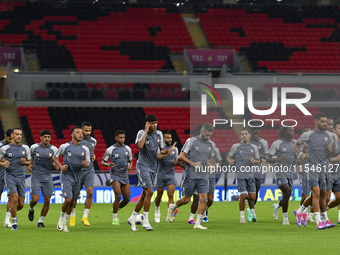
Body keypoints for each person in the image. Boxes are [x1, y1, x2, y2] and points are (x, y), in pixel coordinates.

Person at [127, 114, 172, 231]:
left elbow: (161, 150)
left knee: (144, 195)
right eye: (152, 123)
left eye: (156, 123)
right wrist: (146, 131)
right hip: (142, 166)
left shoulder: (159, 134)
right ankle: (146, 221)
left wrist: (167, 152)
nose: (155, 125)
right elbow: (140, 146)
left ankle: (132, 217)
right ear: (147, 123)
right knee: (150, 192)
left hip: (153, 167)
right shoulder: (141, 133)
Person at [167, 122, 215, 230]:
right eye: (206, 135)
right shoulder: (191, 141)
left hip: (203, 175)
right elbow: (181, 156)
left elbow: (210, 158)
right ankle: (172, 207)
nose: (208, 137)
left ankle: (197, 223)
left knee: (203, 197)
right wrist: (193, 164)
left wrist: (211, 165)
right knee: (186, 200)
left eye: (210, 135)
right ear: (201, 131)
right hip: (190, 174)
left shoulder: (211, 144)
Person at [293, 112, 335, 230]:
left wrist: (330, 150)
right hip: (312, 166)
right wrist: (301, 154)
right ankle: (318, 222)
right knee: (315, 192)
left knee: (323, 194)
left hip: (324, 167)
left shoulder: (329, 136)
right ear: (316, 121)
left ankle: (324, 219)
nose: (324, 124)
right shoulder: (308, 135)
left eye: (325, 122)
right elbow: (296, 145)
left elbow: (328, 154)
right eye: (322, 121)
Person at [53, 126, 91, 232]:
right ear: (72, 135)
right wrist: (60, 167)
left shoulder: (85, 149)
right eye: (77, 132)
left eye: (81, 133)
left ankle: (64, 223)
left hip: (78, 177)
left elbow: (88, 163)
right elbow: (54, 157)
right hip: (66, 176)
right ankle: (61, 219)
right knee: (68, 199)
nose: (80, 134)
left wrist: (86, 164)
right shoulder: (65, 146)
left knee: (73, 202)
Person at [0, 128, 31, 231]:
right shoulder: (5, 148)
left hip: (21, 177)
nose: (19, 136)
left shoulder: (25, 148)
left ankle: (11, 213)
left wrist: (25, 162)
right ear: (12, 136)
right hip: (9, 176)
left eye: (20, 134)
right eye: (17, 134)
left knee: (21, 204)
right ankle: (14, 224)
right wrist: (3, 164)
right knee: (14, 197)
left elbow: (29, 161)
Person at [227, 128, 260, 224]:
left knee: (253, 197)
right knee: (243, 195)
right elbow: (229, 156)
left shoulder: (254, 147)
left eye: (246, 134)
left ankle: (248, 208)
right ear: (240, 136)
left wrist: (254, 161)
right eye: (242, 134)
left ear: (249, 135)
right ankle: (242, 217)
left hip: (251, 175)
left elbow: (258, 160)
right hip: (240, 174)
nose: (244, 135)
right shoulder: (236, 146)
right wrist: (230, 161)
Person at [28, 130, 58, 227]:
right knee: (35, 199)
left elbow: (54, 161)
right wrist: (31, 164)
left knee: (47, 200)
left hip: (48, 177)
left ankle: (40, 221)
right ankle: (31, 208)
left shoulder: (54, 149)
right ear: (40, 138)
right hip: (36, 176)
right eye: (45, 137)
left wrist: (55, 165)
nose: (47, 139)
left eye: (48, 137)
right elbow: (31, 158)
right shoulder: (34, 147)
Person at [102, 130, 133, 225]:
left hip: (124, 175)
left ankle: (116, 208)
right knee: (118, 195)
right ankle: (115, 218)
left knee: (127, 199)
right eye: (120, 137)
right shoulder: (110, 149)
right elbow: (103, 162)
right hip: (115, 175)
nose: (122, 139)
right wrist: (108, 165)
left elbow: (130, 161)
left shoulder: (128, 149)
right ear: (116, 138)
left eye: (123, 137)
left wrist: (130, 166)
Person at [268, 126, 298, 225]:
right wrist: (278, 159)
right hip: (280, 171)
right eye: (290, 130)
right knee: (285, 191)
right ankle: (285, 218)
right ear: (285, 132)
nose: (293, 132)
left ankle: (277, 206)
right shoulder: (277, 143)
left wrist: (300, 161)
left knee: (288, 194)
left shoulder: (296, 143)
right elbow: (268, 158)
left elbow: (297, 159)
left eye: (293, 130)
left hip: (290, 172)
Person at [69, 122, 97, 227]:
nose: (88, 133)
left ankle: (85, 217)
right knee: (75, 195)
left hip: (89, 170)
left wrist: (93, 157)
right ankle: (72, 216)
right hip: (78, 171)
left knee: (90, 192)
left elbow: (91, 153)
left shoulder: (93, 141)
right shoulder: (77, 141)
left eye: (90, 130)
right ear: (81, 130)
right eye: (86, 130)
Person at [154, 132, 184, 223]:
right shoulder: (159, 148)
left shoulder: (175, 149)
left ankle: (169, 215)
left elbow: (175, 161)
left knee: (171, 195)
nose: (170, 139)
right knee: (159, 195)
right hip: (160, 175)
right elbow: (158, 157)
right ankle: (157, 211)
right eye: (167, 138)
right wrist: (168, 152)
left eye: (170, 137)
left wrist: (175, 162)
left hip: (170, 175)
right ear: (163, 140)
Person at [248, 128, 269, 222]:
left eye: (257, 133)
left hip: (258, 170)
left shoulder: (263, 142)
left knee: (256, 192)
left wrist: (261, 156)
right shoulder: (246, 142)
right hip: (248, 170)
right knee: (251, 190)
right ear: (250, 132)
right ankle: (252, 212)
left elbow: (267, 156)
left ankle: (250, 208)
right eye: (254, 133)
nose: (255, 135)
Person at [203, 146, 222, 222]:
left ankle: (205, 209)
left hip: (211, 177)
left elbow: (220, 161)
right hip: (202, 177)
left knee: (210, 199)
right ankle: (202, 215)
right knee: (203, 197)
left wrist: (216, 165)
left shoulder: (215, 149)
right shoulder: (200, 148)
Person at [326, 118, 340, 221]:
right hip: (328, 173)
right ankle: (302, 211)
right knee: (325, 198)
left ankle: (324, 210)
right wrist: (335, 158)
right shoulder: (328, 142)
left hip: (338, 174)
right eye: (339, 128)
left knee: (339, 199)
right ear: (334, 130)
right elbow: (321, 159)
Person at [0, 129, 12, 228]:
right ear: (5, 136)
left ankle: (7, 221)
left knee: (12, 197)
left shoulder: (15, 146)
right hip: (0, 175)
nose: (11, 140)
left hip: (10, 176)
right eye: (9, 139)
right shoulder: (0, 145)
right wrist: (2, 163)